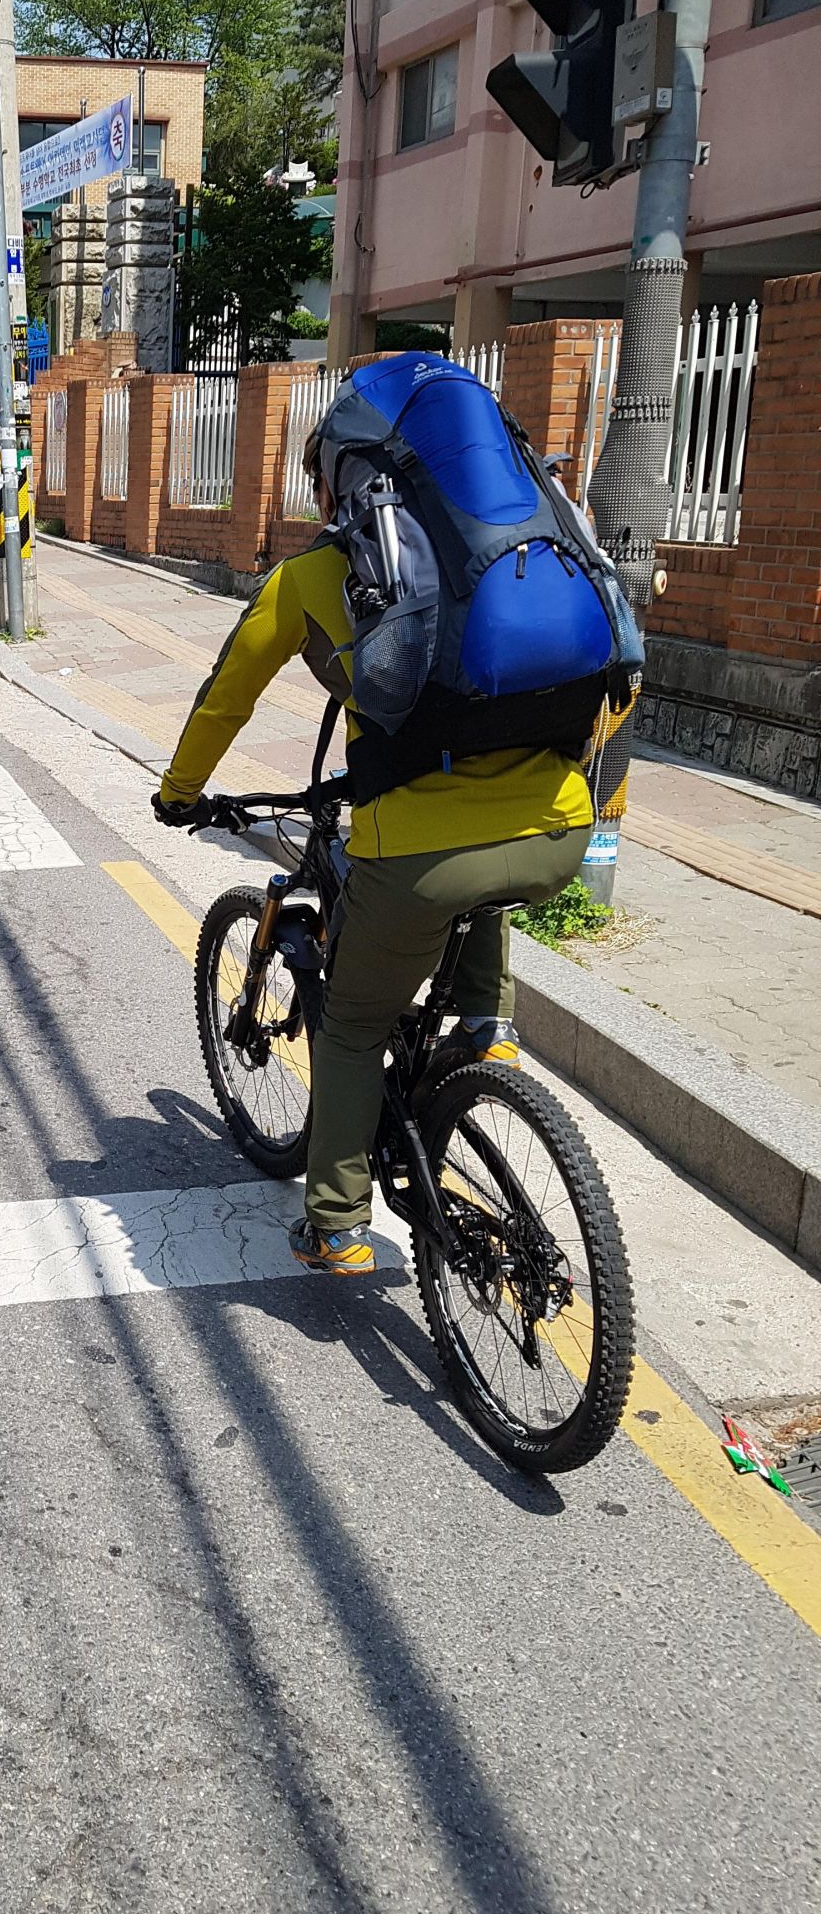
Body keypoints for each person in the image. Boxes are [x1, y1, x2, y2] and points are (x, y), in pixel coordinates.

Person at [153, 427, 592, 1277]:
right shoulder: (508, 554)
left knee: (353, 1025)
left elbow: (227, 695)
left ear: (331, 486)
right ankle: (486, 1027)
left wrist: (179, 791)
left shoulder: (318, 573)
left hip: (421, 854)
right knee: (479, 881)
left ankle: (335, 1225)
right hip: (559, 830)